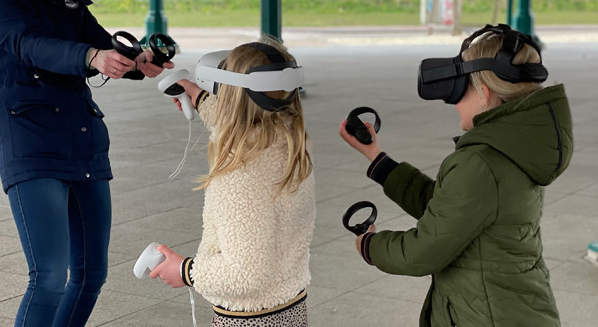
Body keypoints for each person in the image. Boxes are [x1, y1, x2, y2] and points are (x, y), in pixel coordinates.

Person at [0, 0, 172, 327]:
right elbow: (28, 44)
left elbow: (103, 48)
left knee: (91, 275)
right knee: (48, 277)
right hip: (30, 140)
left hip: (83, 142)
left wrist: (140, 61)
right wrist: (91, 55)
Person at [339, 25, 573, 327]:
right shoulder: (516, 148)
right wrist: (378, 161)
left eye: (462, 89)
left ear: (484, 94)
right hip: (511, 309)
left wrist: (371, 246)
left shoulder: (481, 162)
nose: (454, 102)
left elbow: (424, 250)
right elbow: (451, 209)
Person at [150, 42, 316, 326]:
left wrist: (184, 270)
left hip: (249, 318)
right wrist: (199, 97)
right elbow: (247, 120)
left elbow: (245, 275)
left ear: (229, 97)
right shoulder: (288, 138)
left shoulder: (239, 173)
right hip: (289, 305)